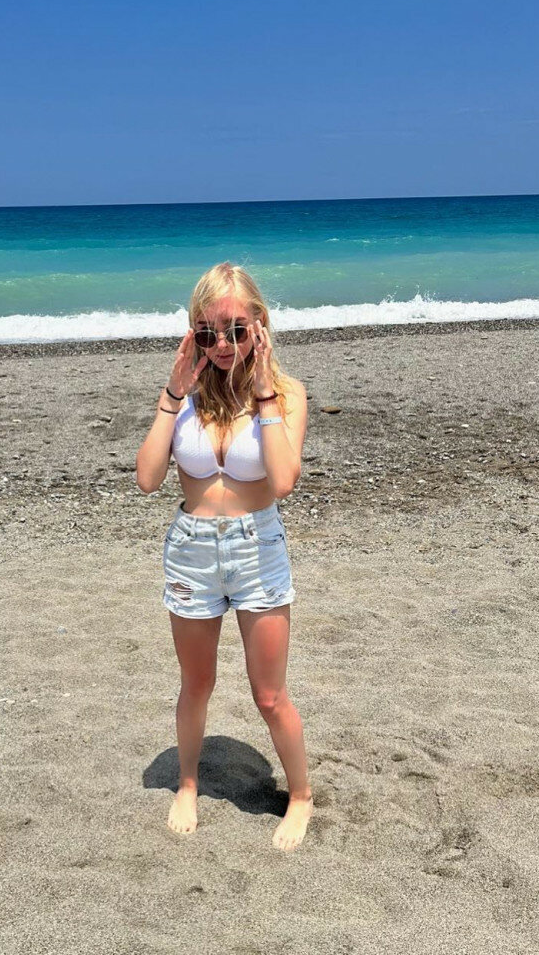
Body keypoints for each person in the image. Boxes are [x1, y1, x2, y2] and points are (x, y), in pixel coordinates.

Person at [135, 262, 313, 852]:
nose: (223, 344)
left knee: (269, 694)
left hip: (257, 548)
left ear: (260, 324)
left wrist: (262, 390)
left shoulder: (286, 394)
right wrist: (171, 395)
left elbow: (282, 480)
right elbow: (147, 479)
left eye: (237, 330)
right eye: (209, 331)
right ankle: (187, 784)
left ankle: (301, 795)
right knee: (196, 683)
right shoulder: (183, 397)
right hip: (191, 550)